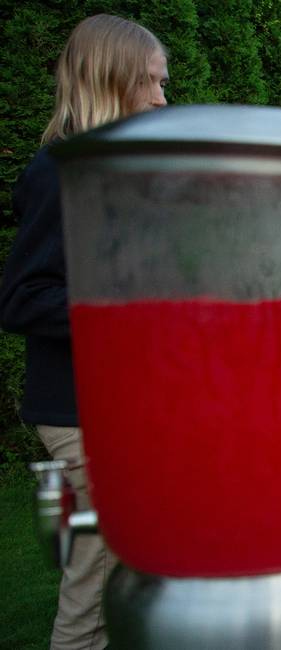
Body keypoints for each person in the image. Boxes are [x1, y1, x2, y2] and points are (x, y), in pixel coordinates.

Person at [0, 14, 169, 650]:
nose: (160, 99)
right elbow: (22, 299)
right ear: (109, 80)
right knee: (96, 583)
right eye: (150, 83)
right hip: (82, 412)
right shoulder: (59, 172)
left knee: (130, 568)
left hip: (119, 406)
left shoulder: (110, 175)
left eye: (162, 83)